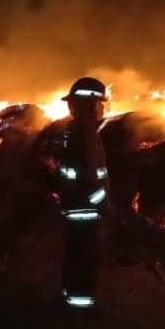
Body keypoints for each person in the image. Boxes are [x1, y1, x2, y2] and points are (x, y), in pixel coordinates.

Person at [56, 77, 109, 310]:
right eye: (100, 103)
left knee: (75, 255)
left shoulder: (72, 131)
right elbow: (89, 175)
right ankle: (80, 306)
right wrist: (102, 201)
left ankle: (70, 297)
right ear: (90, 104)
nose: (102, 109)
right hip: (86, 207)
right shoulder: (86, 135)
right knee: (85, 257)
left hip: (74, 203)